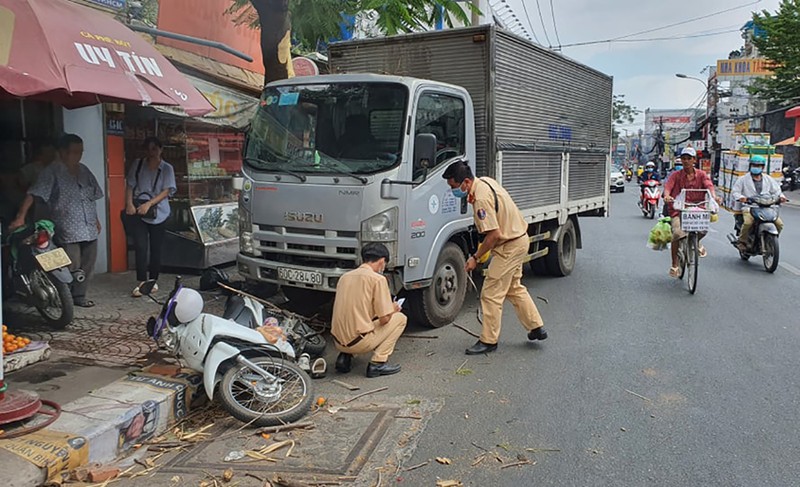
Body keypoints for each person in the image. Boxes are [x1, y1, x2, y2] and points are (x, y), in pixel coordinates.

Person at [443, 160, 547, 355]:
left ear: (465, 182)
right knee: (514, 288)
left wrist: (475, 257)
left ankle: (489, 341)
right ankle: (536, 327)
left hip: (509, 245)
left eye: (454, 187)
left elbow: (494, 234)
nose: (453, 191)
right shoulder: (484, 182)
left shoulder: (481, 199)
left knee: (490, 293)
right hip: (519, 239)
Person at [10, 134, 104, 307]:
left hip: (89, 226)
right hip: (67, 227)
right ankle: (64, 297)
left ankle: (79, 296)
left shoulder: (84, 170)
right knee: (70, 265)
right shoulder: (52, 171)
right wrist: (20, 216)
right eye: (74, 152)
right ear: (62, 152)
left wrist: (97, 220)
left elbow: (92, 196)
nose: (78, 156)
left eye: (80, 152)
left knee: (88, 264)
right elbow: (34, 192)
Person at [331, 243, 407, 378]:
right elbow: (384, 320)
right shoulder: (378, 279)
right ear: (382, 261)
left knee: (354, 316)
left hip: (337, 341)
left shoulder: (345, 277)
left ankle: (344, 358)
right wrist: (393, 310)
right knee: (400, 319)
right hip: (359, 342)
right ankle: (378, 363)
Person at [126, 137, 177, 297]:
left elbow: (167, 191)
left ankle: (153, 280)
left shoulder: (167, 168)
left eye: (155, 149)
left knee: (156, 248)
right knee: (141, 246)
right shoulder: (138, 164)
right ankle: (142, 281)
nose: (151, 152)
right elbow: (130, 185)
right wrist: (129, 203)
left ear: (161, 150)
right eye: (148, 149)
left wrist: (149, 204)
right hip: (138, 210)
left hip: (159, 212)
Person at [663, 147, 720, 278]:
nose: (686, 161)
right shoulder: (675, 175)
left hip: (697, 209)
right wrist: (667, 196)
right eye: (684, 158)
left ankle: (696, 242)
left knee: (703, 229)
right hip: (679, 210)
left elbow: (709, 185)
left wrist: (713, 196)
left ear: (694, 160)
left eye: (689, 158)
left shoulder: (701, 174)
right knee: (677, 233)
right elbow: (668, 187)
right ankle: (674, 265)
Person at [732, 155, 786, 251]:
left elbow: (777, 191)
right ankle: (742, 241)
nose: (756, 167)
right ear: (750, 166)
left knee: (779, 224)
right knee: (748, 223)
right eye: (754, 165)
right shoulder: (743, 179)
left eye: (759, 166)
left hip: (766, 207)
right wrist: (741, 198)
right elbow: (735, 192)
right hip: (750, 207)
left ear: (763, 167)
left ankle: (770, 240)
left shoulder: (768, 179)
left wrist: (781, 197)